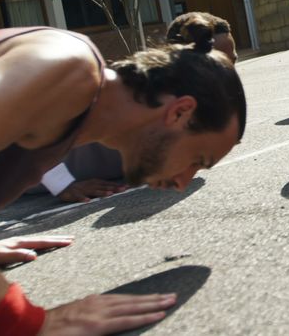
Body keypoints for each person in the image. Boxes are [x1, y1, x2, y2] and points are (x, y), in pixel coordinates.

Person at [0, 25, 246, 334]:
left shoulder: (67, 117)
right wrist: (24, 323)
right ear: (180, 112)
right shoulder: (65, 65)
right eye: (197, 160)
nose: (184, 182)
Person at [33, 12, 240, 204]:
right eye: (221, 63)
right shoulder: (110, 93)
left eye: (232, 61)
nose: (231, 72)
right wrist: (62, 184)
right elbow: (23, 124)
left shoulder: (200, 116)